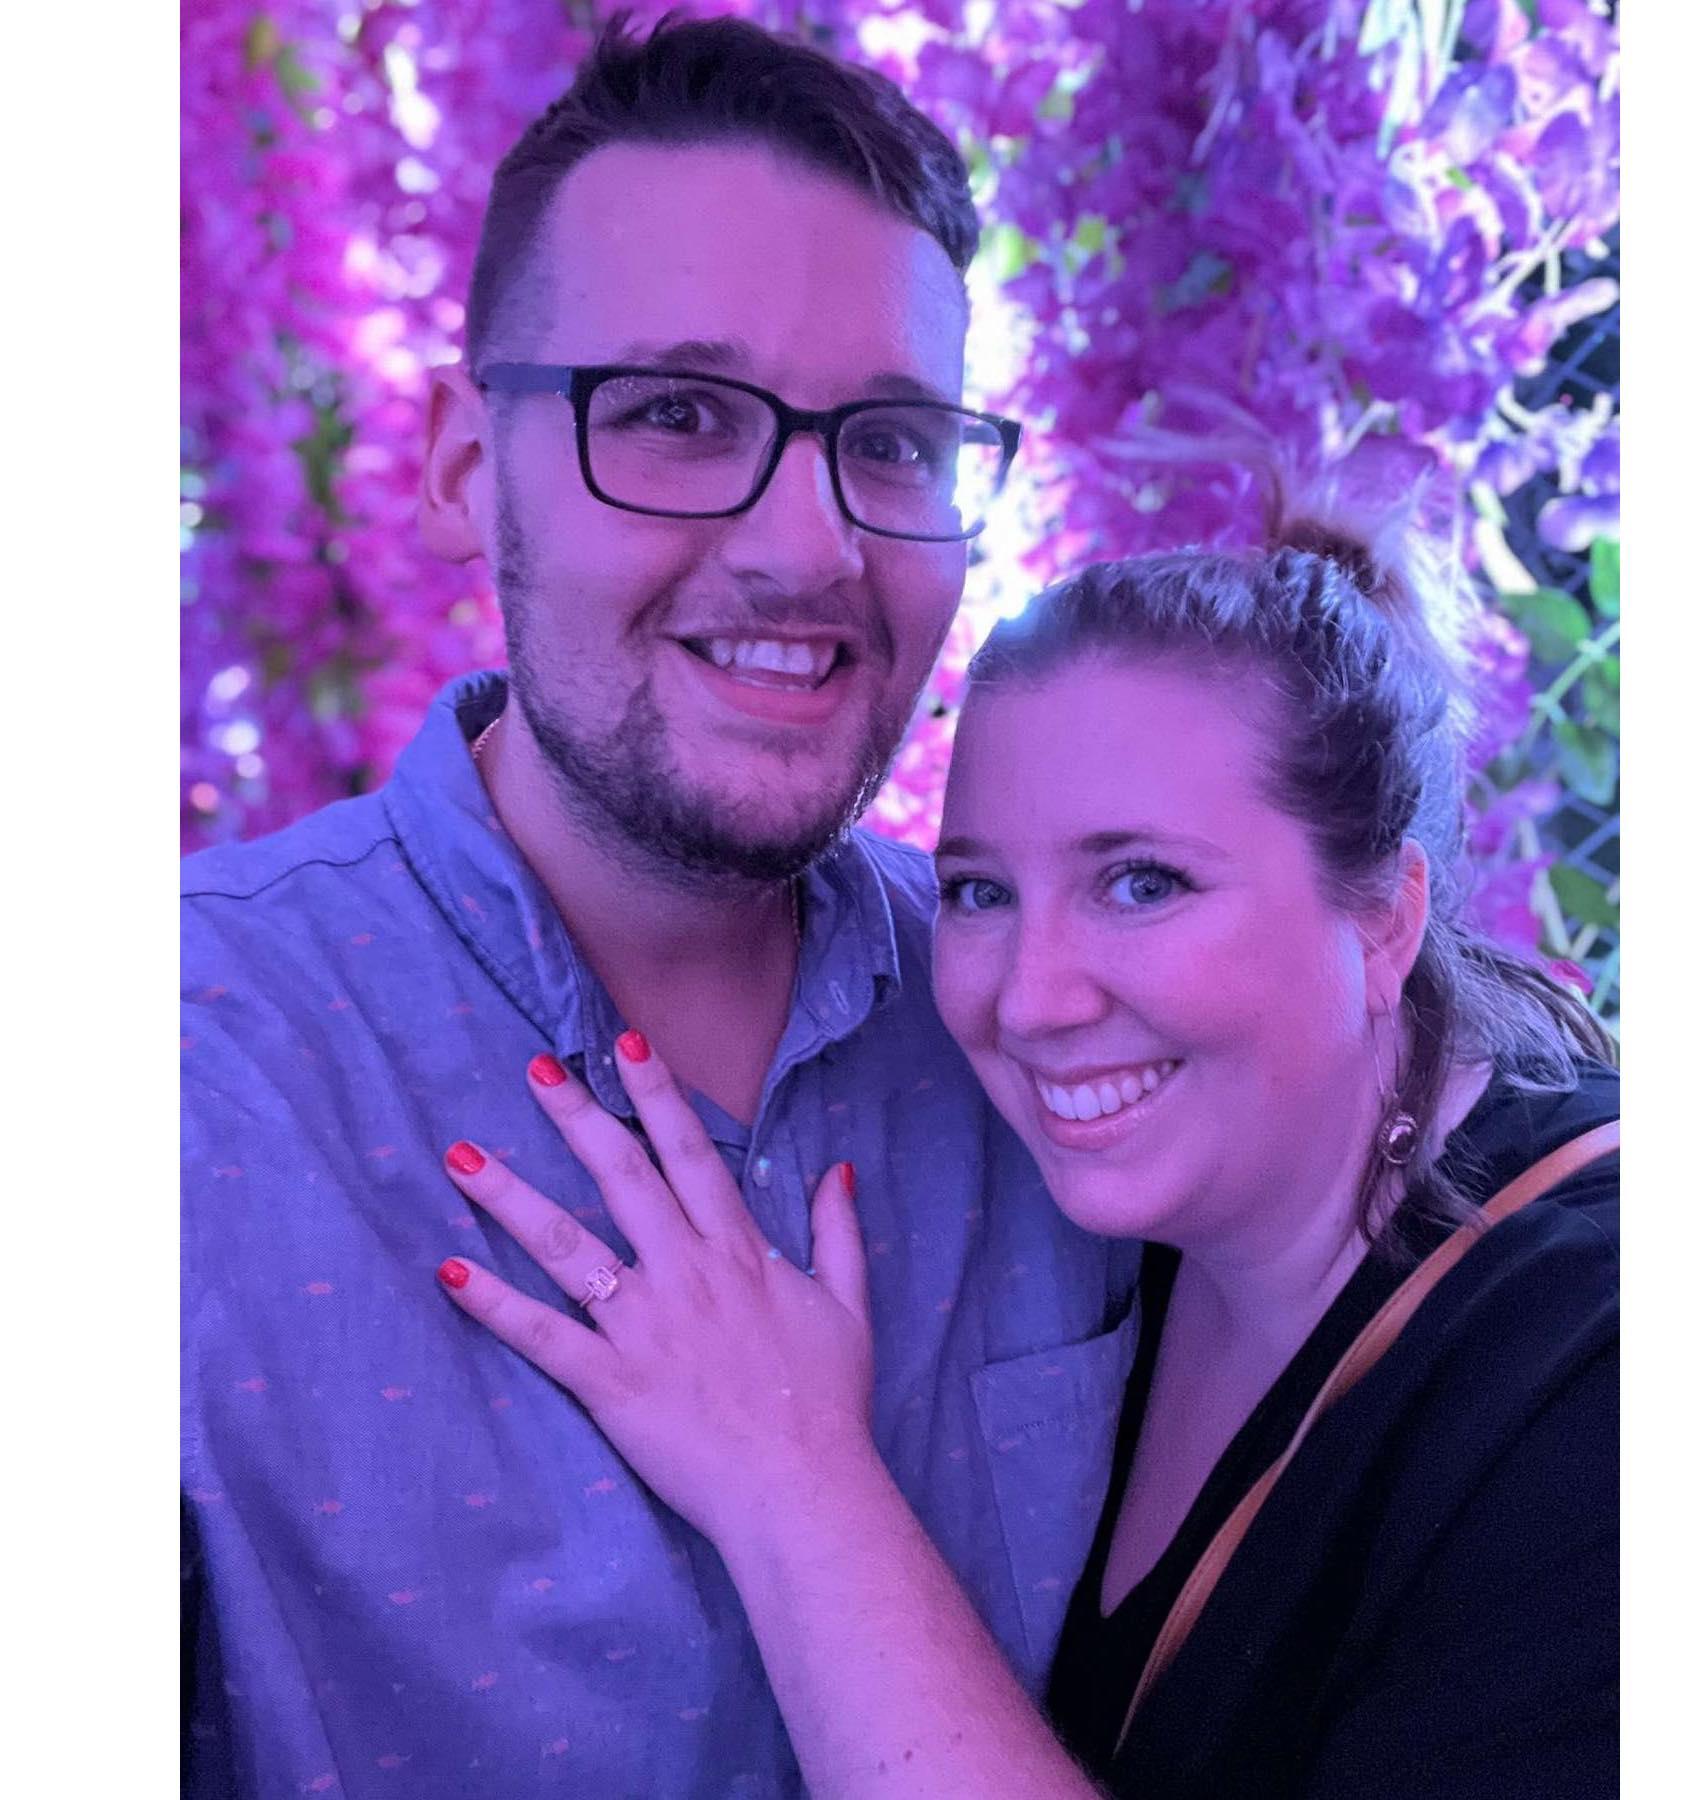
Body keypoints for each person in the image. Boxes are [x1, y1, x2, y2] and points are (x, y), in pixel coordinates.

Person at [180, 15, 1137, 1796]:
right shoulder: (176, 1075)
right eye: (678, 417)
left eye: (894, 441)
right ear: (462, 468)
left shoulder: (1070, 1031)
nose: (809, 547)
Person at [434, 517, 1620, 1798]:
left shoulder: (1601, 1369)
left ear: (1385, 915)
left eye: (1143, 884)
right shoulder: (1117, 1234)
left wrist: (790, 1474)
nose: (1032, 1000)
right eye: (981, 892)